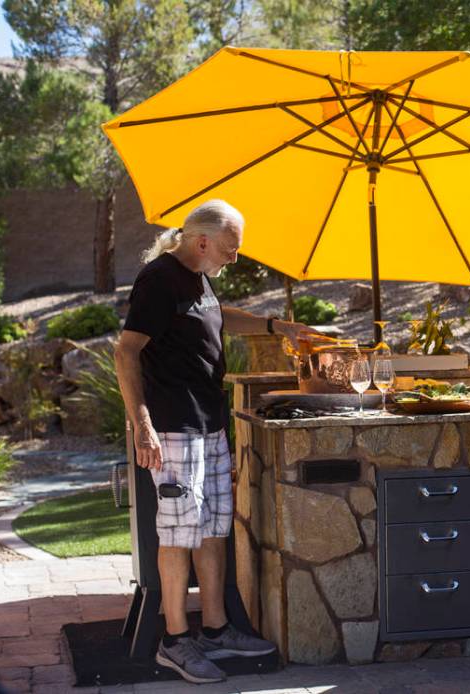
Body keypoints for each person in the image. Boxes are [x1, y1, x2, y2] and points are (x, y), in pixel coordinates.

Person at [115, 199, 312, 684]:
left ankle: (218, 629)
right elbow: (126, 352)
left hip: (209, 424)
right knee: (178, 534)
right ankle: (176, 642)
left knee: (212, 529)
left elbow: (216, 315)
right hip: (174, 426)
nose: (235, 258)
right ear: (204, 241)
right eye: (231, 248)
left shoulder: (196, 276)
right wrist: (142, 424)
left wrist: (275, 326)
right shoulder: (159, 279)